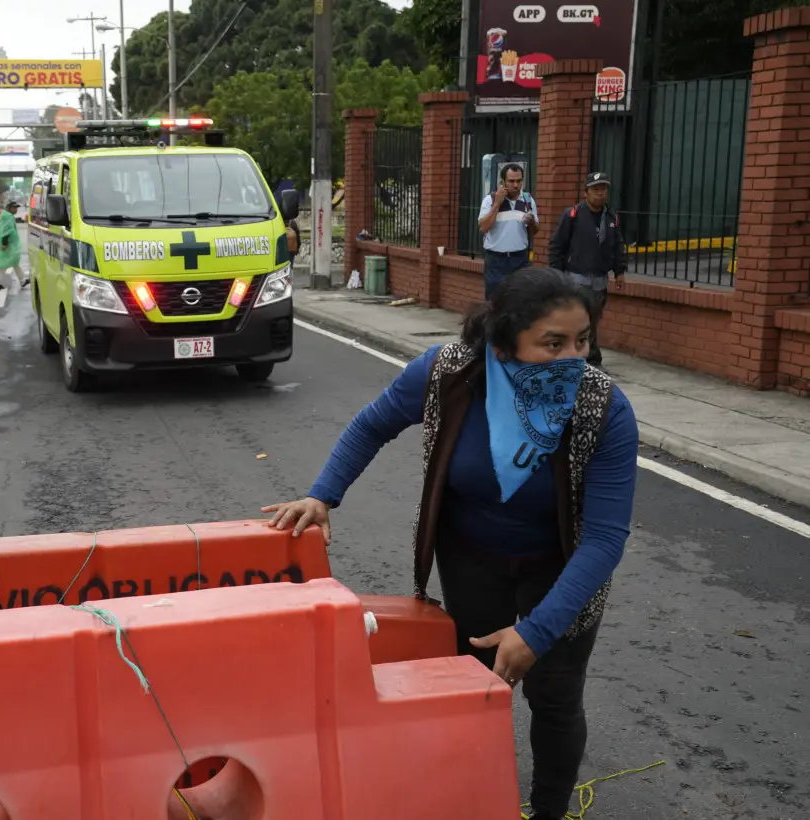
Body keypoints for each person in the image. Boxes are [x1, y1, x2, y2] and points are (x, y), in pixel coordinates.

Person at [262, 267, 638, 820]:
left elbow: (604, 539)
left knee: (555, 696)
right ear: (505, 340)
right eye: (552, 343)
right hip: (472, 558)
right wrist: (323, 495)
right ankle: (468, 797)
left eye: (582, 341)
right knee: (469, 682)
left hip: (563, 569)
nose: (572, 359)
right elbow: (373, 424)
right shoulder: (446, 374)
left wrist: (537, 629)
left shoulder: (603, 408)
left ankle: (550, 809)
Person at [548, 172, 627, 369]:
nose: (600, 194)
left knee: (592, 320)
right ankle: (588, 359)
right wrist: (557, 275)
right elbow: (557, 246)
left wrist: (619, 271)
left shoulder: (611, 217)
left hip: (600, 279)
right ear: (586, 192)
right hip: (577, 278)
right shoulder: (573, 215)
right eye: (595, 189)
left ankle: (586, 358)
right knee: (580, 319)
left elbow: (618, 245)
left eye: (603, 189)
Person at [479, 162, 538, 298]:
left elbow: (535, 231)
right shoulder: (490, 199)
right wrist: (497, 204)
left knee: (519, 300)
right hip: (496, 260)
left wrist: (532, 222)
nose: (516, 185)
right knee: (495, 301)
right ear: (503, 182)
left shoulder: (528, 200)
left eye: (519, 181)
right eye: (511, 181)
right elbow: (483, 227)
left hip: (520, 259)